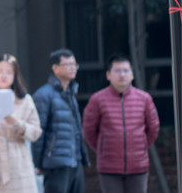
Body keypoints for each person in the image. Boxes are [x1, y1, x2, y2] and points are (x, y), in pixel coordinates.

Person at [82, 54, 160, 193]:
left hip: (138, 166)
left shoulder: (144, 99)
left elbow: (153, 129)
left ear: (132, 74)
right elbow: (89, 131)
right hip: (109, 167)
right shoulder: (97, 99)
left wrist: (141, 146)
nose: (122, 75)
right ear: (108, 75)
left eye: (126, 70)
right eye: (117, 71)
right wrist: (102, 148)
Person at [0, 54, 42, 192]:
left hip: (18, 158)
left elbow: (36, 132)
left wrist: (18, 124)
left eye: (9, 72)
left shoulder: (25, 100)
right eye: (0, 71)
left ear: (15, 75)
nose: (4, 76)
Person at [31, 48, 90, 193]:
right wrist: (38, 164)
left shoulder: (70, 93)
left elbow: (77, 130)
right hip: (55, 164)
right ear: (55, 68)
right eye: (68, 64)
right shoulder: (43, 95)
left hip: (74, 161)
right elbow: (38, 133)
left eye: (74, 65)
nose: (73, 68)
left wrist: (82, 157)